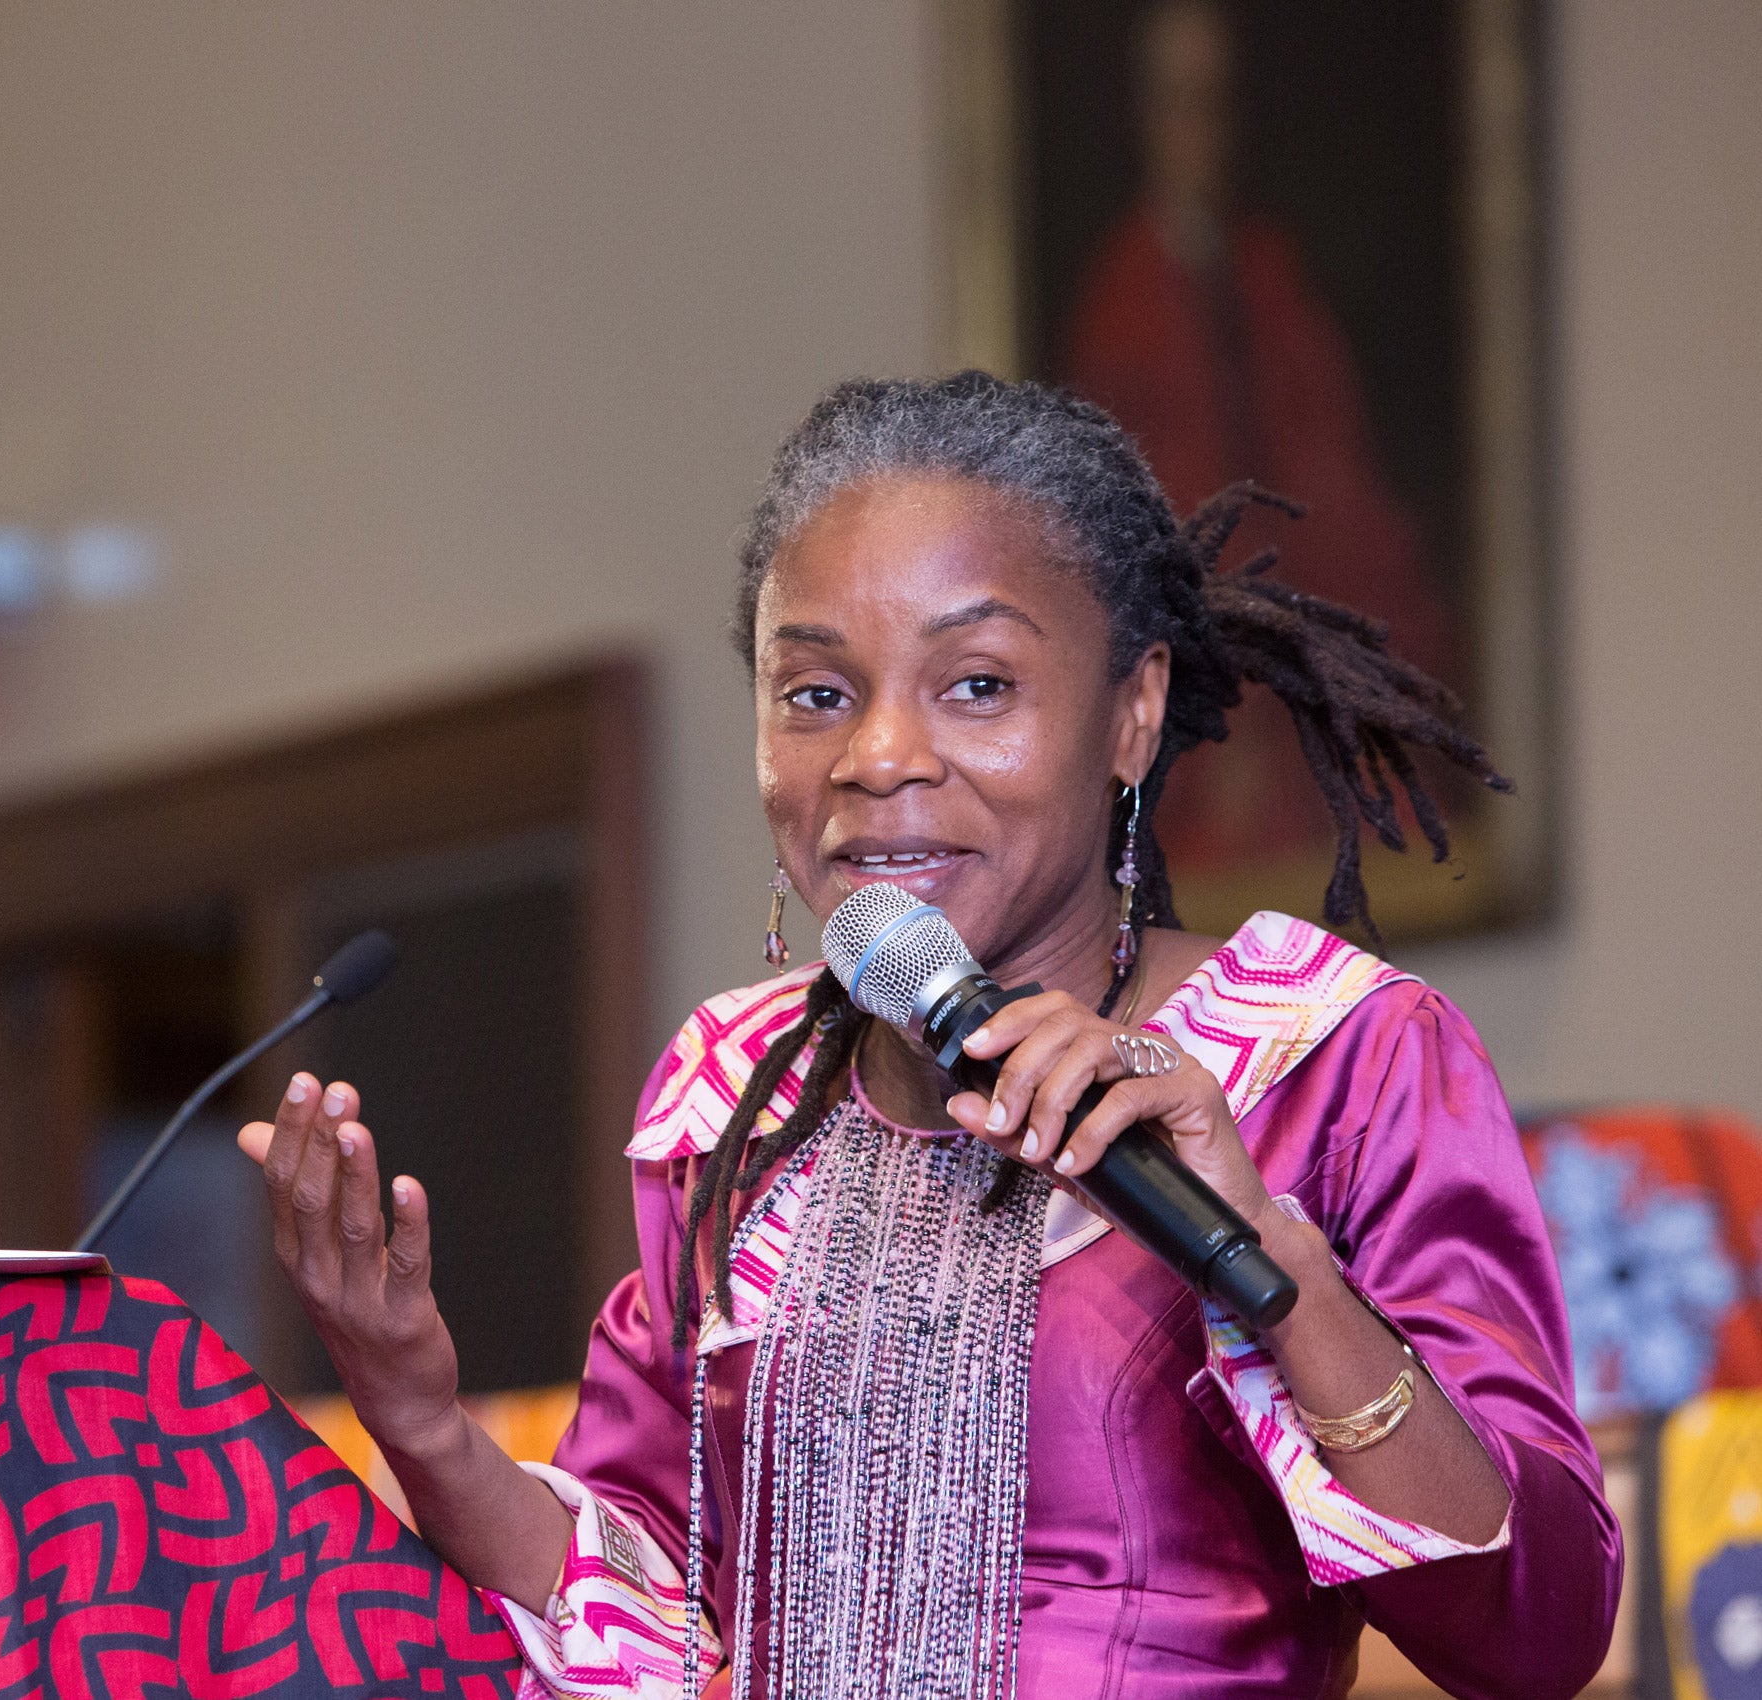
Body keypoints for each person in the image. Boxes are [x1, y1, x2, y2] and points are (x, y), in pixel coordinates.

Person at [240, 374, 1618, 1696]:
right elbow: (655, 1613)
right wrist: (417, 1418)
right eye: (816, 694)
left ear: (1130, 715)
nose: (877, 755)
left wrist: (1271, 1267)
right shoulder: (731, 1095)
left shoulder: (1329, 1058)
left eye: (974, 685)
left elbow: (1536, 1634)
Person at [1060, 0, 1460, 883]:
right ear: (1149, 116)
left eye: (1216, 102)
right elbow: (1133, 539)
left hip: (1297, 658)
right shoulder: (1122, 301)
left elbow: (1331, 470)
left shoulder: (1267, 270)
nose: (1202, 131)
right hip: (1212, 712)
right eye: (1181, 102)